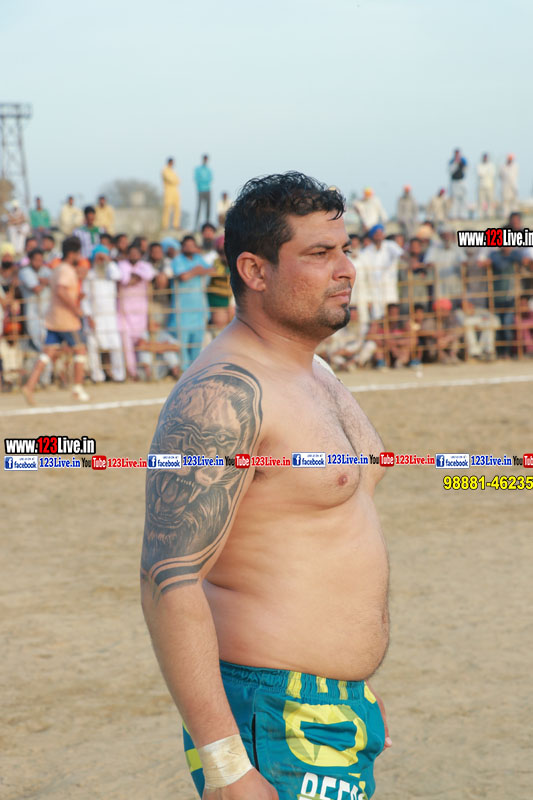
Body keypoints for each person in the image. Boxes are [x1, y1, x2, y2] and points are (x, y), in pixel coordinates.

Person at [141, 172, 390, 800]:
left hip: (325, 708)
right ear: (254, 270)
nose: (346, 269)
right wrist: (226, 765)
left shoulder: (311, 368)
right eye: (319, 253)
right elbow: (168, 580)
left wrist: (346, 684)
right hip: (272, 717)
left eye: (345, 249)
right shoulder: (220, 397)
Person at [22, 236, 90, 404]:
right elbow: (61, 290)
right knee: (80, 350)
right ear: (73, 253)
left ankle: (29, 386)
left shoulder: (57, 268)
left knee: (48, 353)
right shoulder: (66, 270)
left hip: (53, 318)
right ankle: (77, 389)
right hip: (67, 320)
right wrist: (75, 309)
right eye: (78, 253)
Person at [81, 245, 125, 382]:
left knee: (116, 345)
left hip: (110, 316)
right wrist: (89, 317)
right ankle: (97, 376)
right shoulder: (90, 275)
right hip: (95, 316)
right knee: (93, 346)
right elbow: (84, 299)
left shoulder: (110, 273)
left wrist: (108, 260)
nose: (101, 261)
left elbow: (118, 275)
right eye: (98, 258)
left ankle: (119, 375)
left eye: (103, 258)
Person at [169, 234, 213, 368]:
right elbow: (183, 276)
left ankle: (194, 371)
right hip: (182, 310)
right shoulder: (177, 260)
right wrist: (197, 271)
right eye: (186, 245)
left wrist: (198, 271)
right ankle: (184, 372)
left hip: (199, 309)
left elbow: (212, 270)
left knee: (197, 344)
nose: (189, 248)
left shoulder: (199, 259)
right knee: (182, 345)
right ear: (182, 247)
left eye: (192, 245)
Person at [117, 244, 156, 379]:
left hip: (141, 312)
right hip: (124, 311)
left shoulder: (145, 265)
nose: (134, 255)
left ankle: (146, 372)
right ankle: (131, 372)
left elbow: (149, 275)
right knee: (127, 345)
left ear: (140, 255)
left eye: (136, 253)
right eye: (131, 253)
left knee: (142, 341)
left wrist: (134, 276)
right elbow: (124, 279)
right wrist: (137, 277)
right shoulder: (122, 265)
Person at [358, 223, 404, 319]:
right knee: (378, 320)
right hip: (375, 295)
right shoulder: (366, 253)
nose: (379, 236)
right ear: (372, 236)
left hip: (390, 292)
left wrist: (412, 262)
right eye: (376, 233)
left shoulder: (390, 246)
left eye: (381, 233)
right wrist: (368, 298)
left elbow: (401, 254)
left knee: (392, 318)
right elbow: (364, 277)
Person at [161, 157, 181, 230]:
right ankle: (165, 225)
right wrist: (174, 181)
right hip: (168, 191)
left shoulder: (173, 171)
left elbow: (178, 181)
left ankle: (176, 225)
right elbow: (171, 180)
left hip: (175, 191)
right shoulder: (165, 170)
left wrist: (175, 181)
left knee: (177, 208)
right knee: (167, 208)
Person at [194, 154, 213, 229]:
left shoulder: (208, 170)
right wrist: (203, 181)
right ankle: (196, 225)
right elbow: (196, 179)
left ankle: (207, 224)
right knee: (199, 207)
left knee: (208, 208)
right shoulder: (198, 169)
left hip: (208, 189)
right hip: (200, 190)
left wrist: (203, 180)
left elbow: (210, 179)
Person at [448, 148, 468, 219]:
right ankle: (454, 215)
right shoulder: (452, 161)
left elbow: (465, 169)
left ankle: (463, 215)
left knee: (463, 199)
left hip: (461, 181)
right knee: (454, 199)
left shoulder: (463, 161)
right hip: (454, 182)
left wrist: (460, 162)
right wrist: (455, 163)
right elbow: (451, 171)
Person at [500, 154, 519, 219]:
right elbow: (500, 176)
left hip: (513, 186)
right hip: (505, 186)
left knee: (514, 201)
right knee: (505, 201)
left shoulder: (515, 166)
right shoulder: (503, 167)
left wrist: (515, 187)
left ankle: (514, 215)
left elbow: (515, 176)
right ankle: (506, 215)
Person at [477, 153, 495, 219]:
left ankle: (490, 214)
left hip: (489, 185)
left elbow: (492, 174)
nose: (485, 159)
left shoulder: (491, 165)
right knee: (481, 201)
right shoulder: (479, 165)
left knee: (490, 200)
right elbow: (480, 174)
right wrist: (486, 173)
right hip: (481, 185)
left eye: (486, 157)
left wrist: (485, 174)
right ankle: (480, 215)